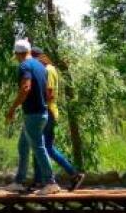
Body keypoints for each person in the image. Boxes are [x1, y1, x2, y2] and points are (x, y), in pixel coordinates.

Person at [3, 39, 61, 195]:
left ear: (17, 54)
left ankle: (51, 182)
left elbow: (26, 87)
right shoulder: (40, 66)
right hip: (40, 113)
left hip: (33, 114)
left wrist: (12, 108)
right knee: (23, 145)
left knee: (38, 148)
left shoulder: (25, 66)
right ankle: (19, 182)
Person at [31, 46, 85, 191]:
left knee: (40, 146)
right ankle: (71, 174)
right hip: (51, 111)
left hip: (47, 111)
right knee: (45, 147)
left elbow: (49, 93)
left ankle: (41, 181)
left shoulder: (47, 70)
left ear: (37, 58)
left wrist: (34, 99)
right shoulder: (51, 69)